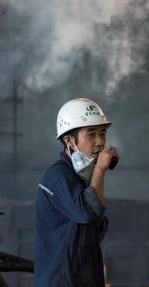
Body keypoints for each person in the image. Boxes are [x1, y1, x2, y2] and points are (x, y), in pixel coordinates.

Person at [34, 97, 119, 286]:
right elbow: (87, 213)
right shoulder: (58, 178)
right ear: (69, 141)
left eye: (102, 134)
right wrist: (100, 170)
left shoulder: (80, 179)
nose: (100, 142)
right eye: (91, 134)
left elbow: (94, 231)